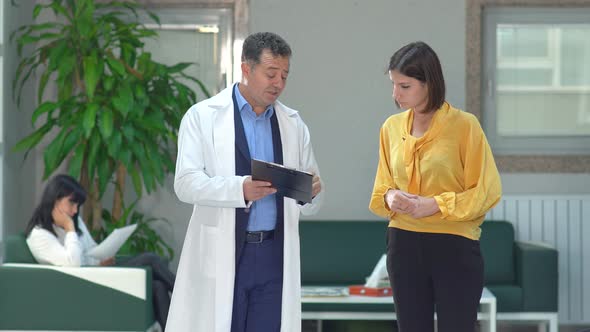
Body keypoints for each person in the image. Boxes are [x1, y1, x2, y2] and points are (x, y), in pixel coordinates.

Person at [167, 32, 324, 332]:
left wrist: (312, 193)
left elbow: (312, 198)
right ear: (246, 69)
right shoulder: (202, 117)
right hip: (225, 252)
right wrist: (239, 189)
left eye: (284, 75)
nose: (278, 83)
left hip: (274, 255)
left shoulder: (293, 124)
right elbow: (185, 183)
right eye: (271, 73)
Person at [369, 41, 502, 332]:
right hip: (402, 243)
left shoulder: (465, 126)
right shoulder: (390, 128)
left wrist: (436, 204)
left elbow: (486, 191)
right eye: (393, 84)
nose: (395, 94)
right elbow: (382, 188)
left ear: (429, 82)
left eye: (404, 86)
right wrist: (391, 197)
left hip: (454, 245)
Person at [25, 174, 175, 330]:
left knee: (158, 286)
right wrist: (70, 229)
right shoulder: (39, 236)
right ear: (54, 200)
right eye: (71, 203)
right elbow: (74, 264)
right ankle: (185, 292)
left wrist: (100, 261)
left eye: (78, 205)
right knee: (149, 259)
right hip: (83, 287)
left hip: (98, 274)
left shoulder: (74, 221)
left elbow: (90, 250)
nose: (75, 210)